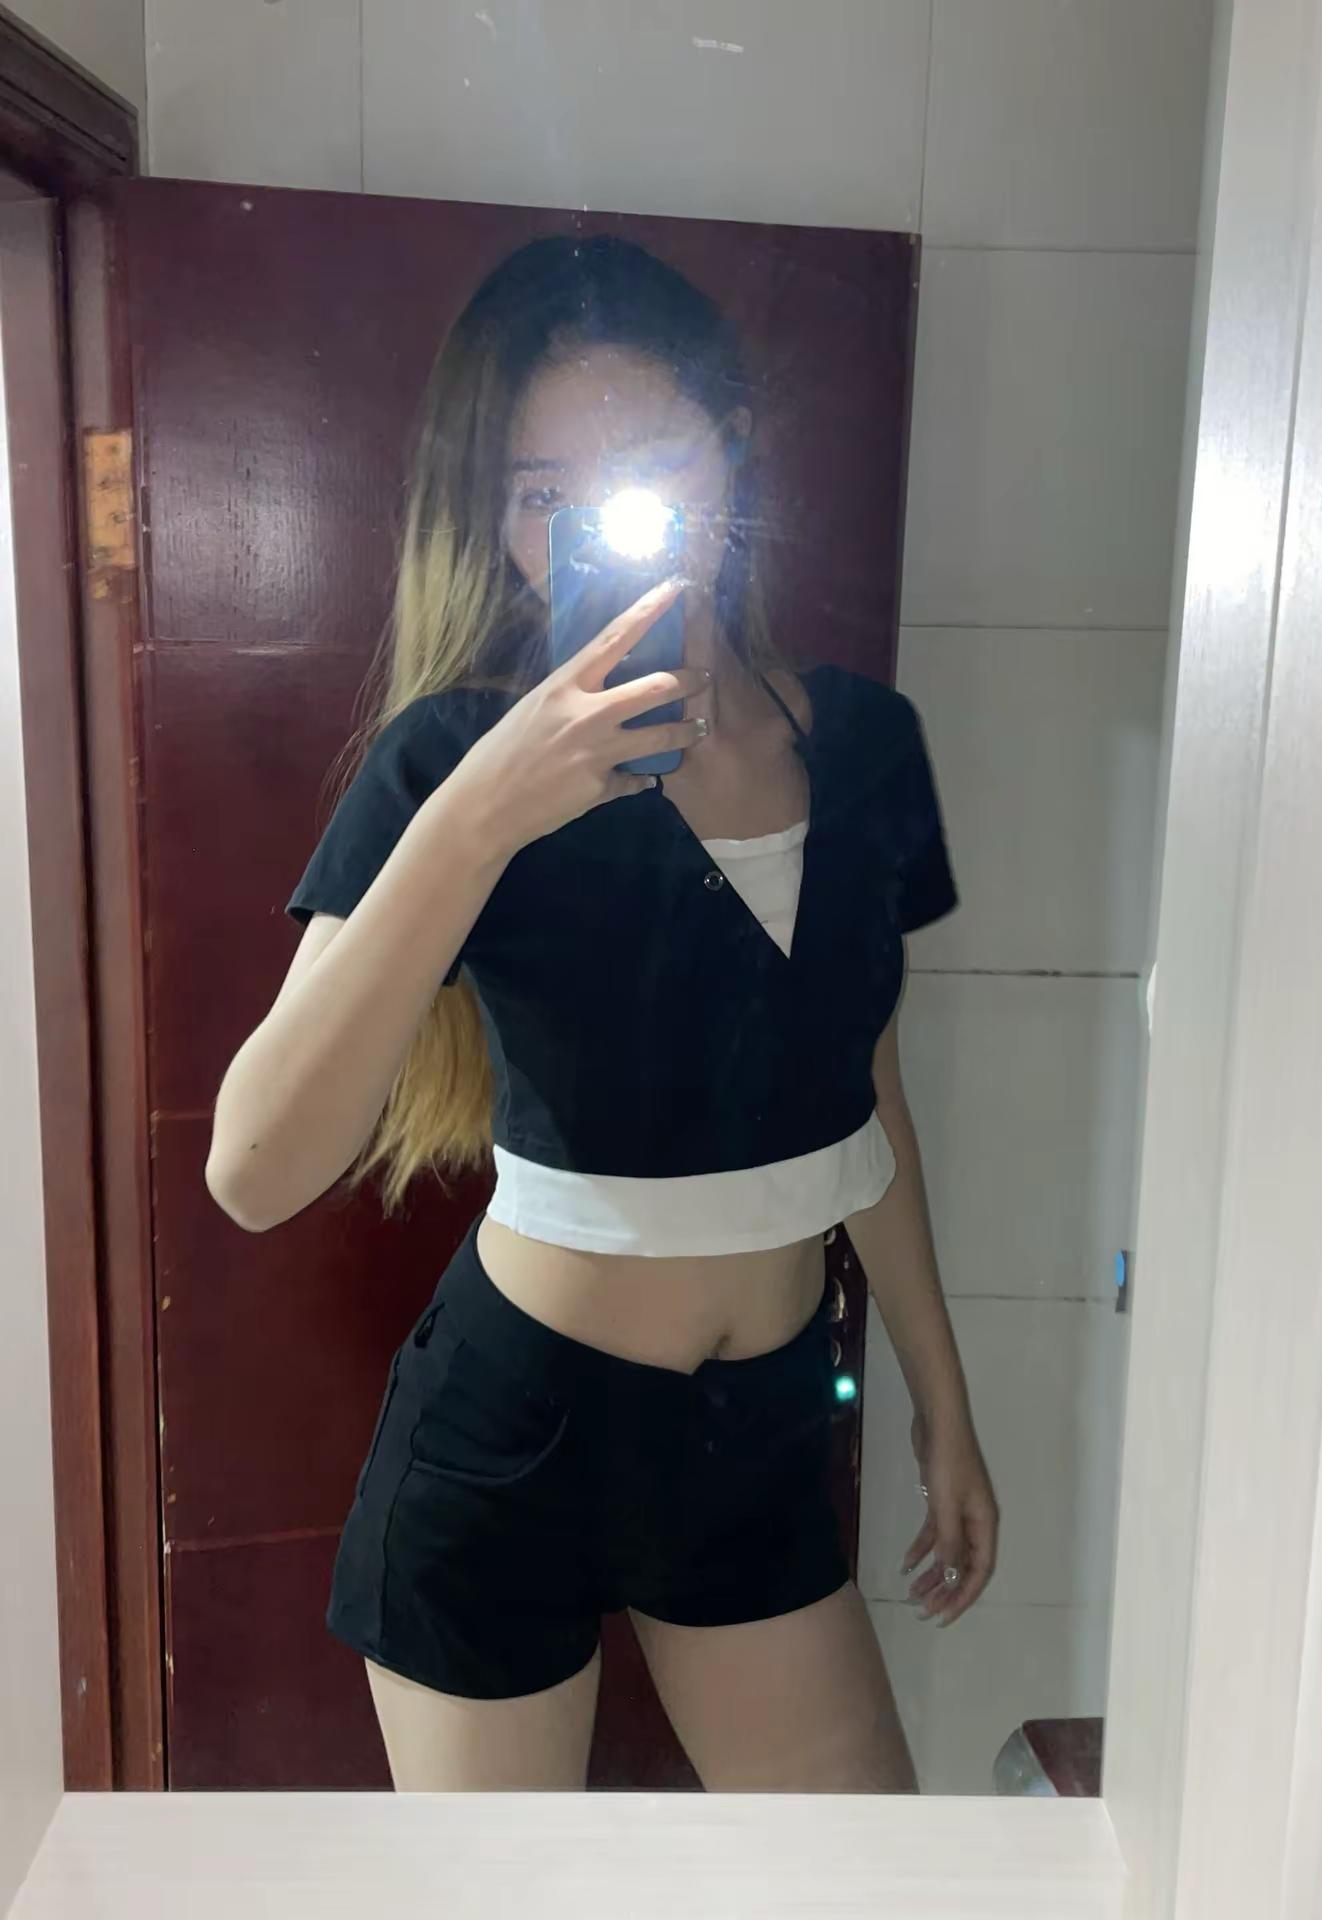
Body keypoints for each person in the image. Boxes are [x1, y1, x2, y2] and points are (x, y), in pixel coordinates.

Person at [206, 234, 997, 1793]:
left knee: (861, 1887)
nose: (582, 523)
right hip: (513, 1437)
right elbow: (253, 1168)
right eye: (535, 488)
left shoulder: (868, 745)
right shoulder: (453, 762)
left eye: (638, 465)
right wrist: (483, 810)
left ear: (732, 452)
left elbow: (869, 1093)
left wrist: (943, 1403)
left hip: (760, 1436)